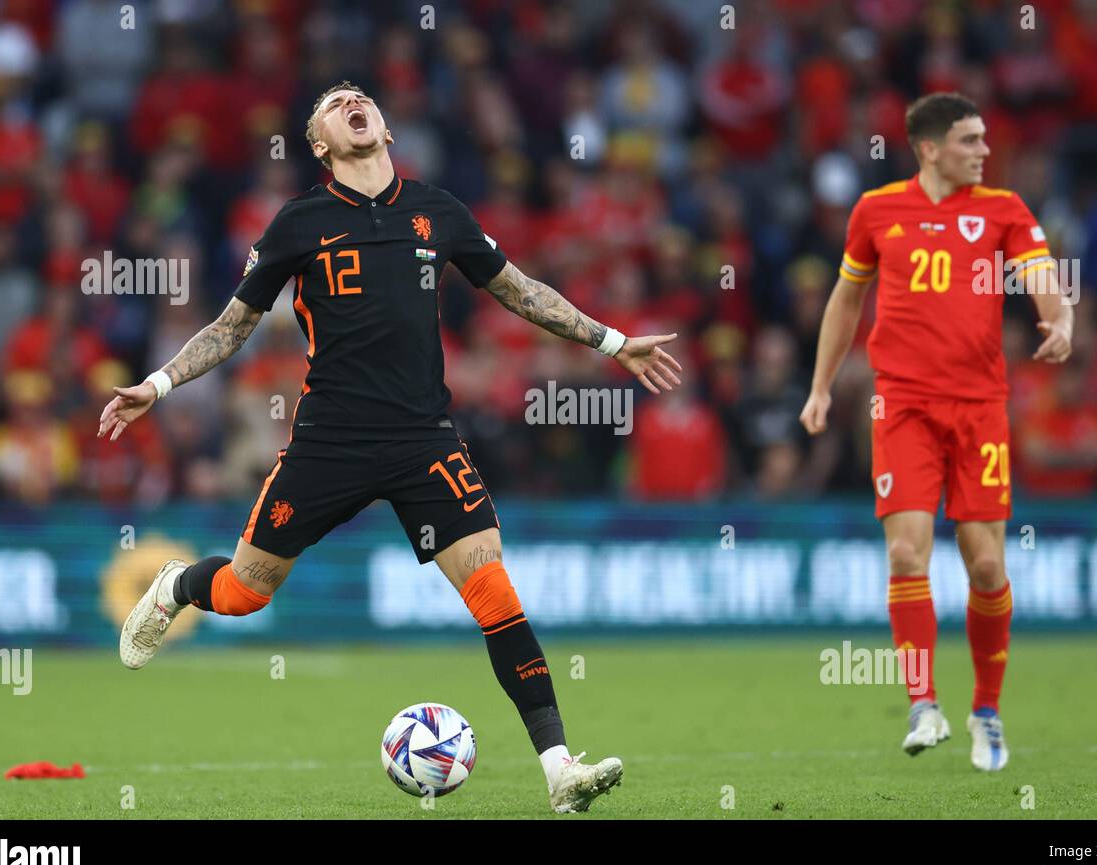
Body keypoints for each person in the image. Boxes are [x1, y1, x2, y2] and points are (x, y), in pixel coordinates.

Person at [98, 82, 682, 812]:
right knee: (246, 592)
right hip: (329, 439)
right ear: (319, 144)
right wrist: (156, 384)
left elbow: (519, 289)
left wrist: (613, 341)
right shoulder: (298, 222)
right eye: (334, 103)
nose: (352, 101)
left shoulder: (437, 211)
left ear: (386, 128)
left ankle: (560, 768)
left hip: (423, 439)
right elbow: (231, 326)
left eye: (361, 96)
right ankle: (179, 586)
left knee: (495, 589)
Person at [799, 92, 1073, 771]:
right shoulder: (875, 211)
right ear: (929, 148)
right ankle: (923, 702)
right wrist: (820, 385)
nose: (984, 151)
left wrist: (1060, 319)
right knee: (906, 554)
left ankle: (987, 709)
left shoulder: (1004, 209)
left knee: (985, 565)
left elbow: (1041, 275)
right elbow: (846, 299)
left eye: (984, 139)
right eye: (970, 141)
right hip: (903, 405)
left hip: (980, 406)